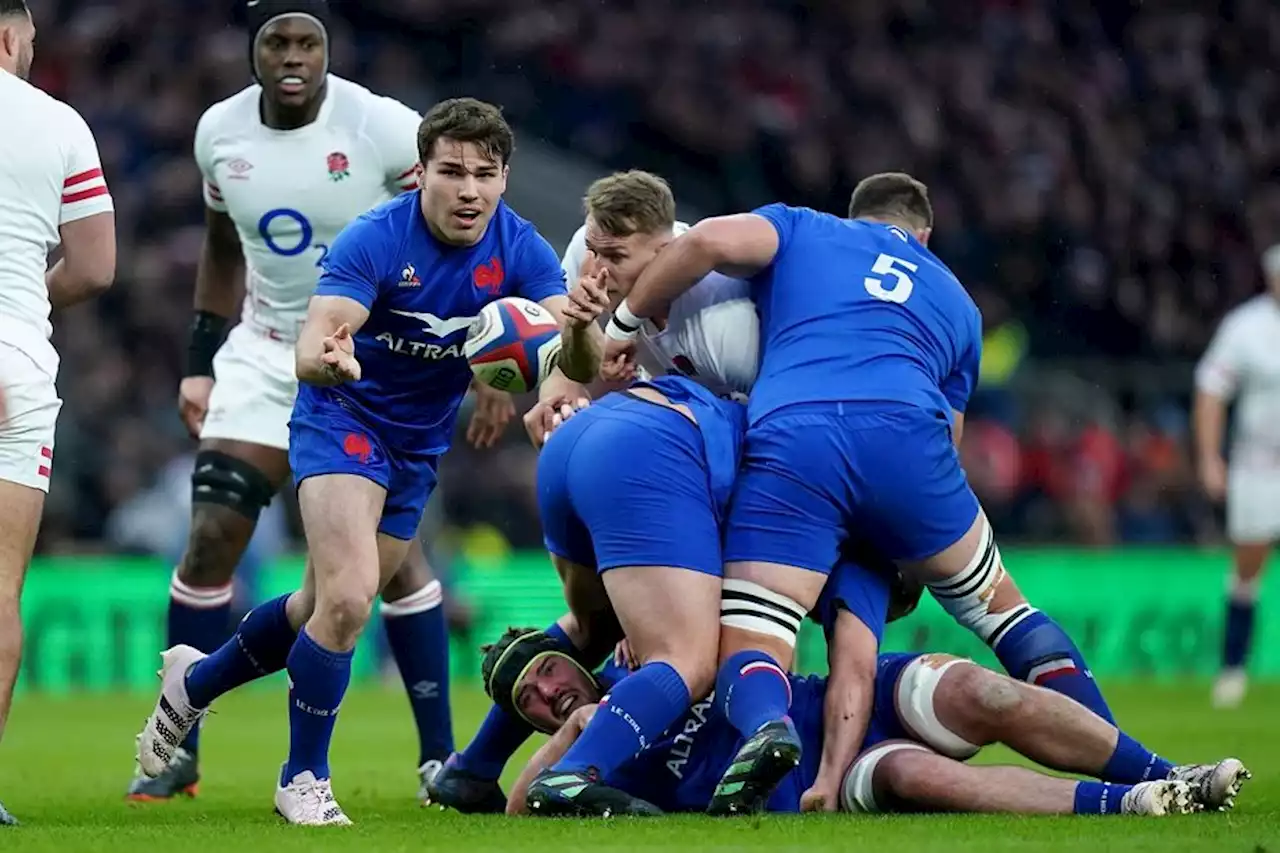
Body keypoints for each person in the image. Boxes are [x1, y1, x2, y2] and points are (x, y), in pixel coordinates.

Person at [133, 96, 598, 825]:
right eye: (451, 171)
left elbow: (571, 362)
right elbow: (315, 337)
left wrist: (573, 333)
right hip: (340, 418)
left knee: (318, 608)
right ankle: (302, 779)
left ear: (504, 177)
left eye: (484, 173)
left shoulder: (522, 248)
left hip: (417, 444)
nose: (468, 189)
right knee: (349, 599)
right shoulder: (377, 236)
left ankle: (195, 681)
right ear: (421, 173)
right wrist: (329, 358)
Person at [608, 173, 1118, 813]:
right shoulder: (960, 301)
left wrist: (623, 325)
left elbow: (705, 241)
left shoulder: (806, 228)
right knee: (1005, 614)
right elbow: (949, 434)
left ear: (855, 214)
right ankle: (1124, 763)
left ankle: (769, 726)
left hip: (796, 437)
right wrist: (900, 532)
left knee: (759, 633)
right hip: (906, 447)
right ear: (923, 235)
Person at [129, 0, 500, 804]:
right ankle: (177, 749)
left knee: (379, 575)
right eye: (277, 41)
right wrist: (200, 363)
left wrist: (479, 355)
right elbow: (224, 245)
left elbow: (466, 225)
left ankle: (438, 754)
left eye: (309, 41)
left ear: (331, 47)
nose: (293, 56)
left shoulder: (383, 127)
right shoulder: (218, 133)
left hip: (374, 363)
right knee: (213, 534)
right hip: (267, 350)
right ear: (251, 48)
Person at [483, 562, 1247, 818]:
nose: (547, 691)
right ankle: (1138, 804)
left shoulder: (650, 650)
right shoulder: (583, 756)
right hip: (829, 781)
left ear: (568, 655)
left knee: (990, 692)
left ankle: (1165, 769)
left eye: (547, 672)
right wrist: (569, 731)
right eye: (530, 701)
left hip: (848, 698)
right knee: (920, 775)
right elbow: (521, 809)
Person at [521, 373, 746, 816]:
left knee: (597, 626)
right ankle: (575, 770)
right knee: (686, 660)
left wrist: (560, 380)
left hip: (572, 441)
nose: (549, 694)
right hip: (653, 444)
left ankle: (473, 764)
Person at [0, 0, 116, 826]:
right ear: (10, 38)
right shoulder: (60, 123)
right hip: (18, 360)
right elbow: (95, 266)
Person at [1193, 244, 1280, 709]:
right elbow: (1211, 390)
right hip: (1260, 466)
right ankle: (1232, 669)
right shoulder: (1246, 327)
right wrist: (1210, 457)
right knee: (1249, 566)